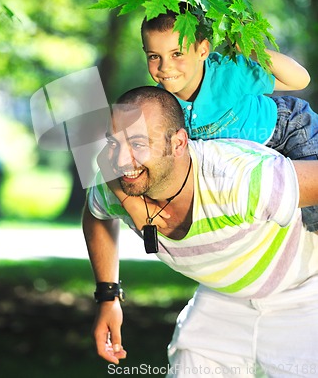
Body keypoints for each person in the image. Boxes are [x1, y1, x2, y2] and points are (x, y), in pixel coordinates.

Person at [83, 86, 318, 377]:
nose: (120, 161)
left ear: (179, 143)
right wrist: (108, 296)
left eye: (138, 144)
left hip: (305, 296)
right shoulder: (118, 186)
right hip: (221, 302)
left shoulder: (238, 178)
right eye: (114, 143)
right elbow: (96, 214)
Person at [106, 4, 318, 233]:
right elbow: (106, 158)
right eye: (154, 56)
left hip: (287, 131)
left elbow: (299, 80)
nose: (165, 67)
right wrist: (133, 205)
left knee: (315, 214)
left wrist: (250, 48)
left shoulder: (228, 70)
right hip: (245, 158)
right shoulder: (160, 105)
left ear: (203, 50)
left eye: (177, 54)